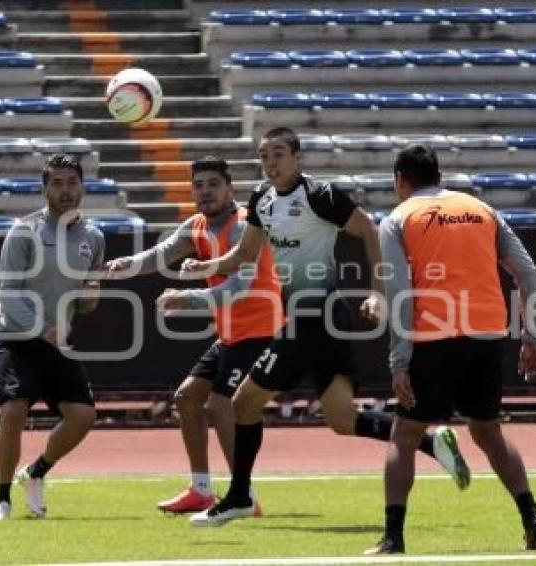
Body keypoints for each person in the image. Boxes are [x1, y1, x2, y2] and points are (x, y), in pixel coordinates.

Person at [180, 128, 471, 527]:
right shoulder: (261, 200)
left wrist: (379, 292)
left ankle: (237, 498)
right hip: (320, 320)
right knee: (342, 420)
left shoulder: (319, 195)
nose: (270, 162)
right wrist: (206, 267)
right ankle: (430, 440)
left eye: (279, 154)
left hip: (316, 315)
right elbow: (244, 254)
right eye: (264, 156)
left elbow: (368, 228)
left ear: (297, 158)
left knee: (242, 404)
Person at [366, 143, 536, 554]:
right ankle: (532, 518)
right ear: (440, 176)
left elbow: (399, 293)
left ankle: (393, 536)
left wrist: (399, 360)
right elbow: (527, 272)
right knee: (489, 432)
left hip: (432, 338)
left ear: (400, 181)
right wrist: (532, 335)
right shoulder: (481, 210)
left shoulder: (398, 218)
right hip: (486, 335)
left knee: (405, 433)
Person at [104, 156, 284, 514]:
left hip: (262, 330)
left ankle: (242, 496)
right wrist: (128, 265)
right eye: (198, 185)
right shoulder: (197, 225)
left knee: (221, 406)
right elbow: (162, 254)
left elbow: (239, 287)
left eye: (213, 184)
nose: (205, 192)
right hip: (231, 334)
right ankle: (202, 490)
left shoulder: (244, 226)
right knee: (187, 399)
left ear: (229, 188)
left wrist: (185, 298)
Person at [0, 154, 105, 521]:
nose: (65, 190)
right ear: (44, 189)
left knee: (83, 416)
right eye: (56, 183)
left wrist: (90, 298)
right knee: (13, 410)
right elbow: (8, 292)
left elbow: (85, 297)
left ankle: (35, 472)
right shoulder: (23, 231)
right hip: (17, 335)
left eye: (72, 182)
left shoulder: (94, 237)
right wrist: (42, 328)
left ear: (82, 187)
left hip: (58, 339)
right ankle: (2, 498)